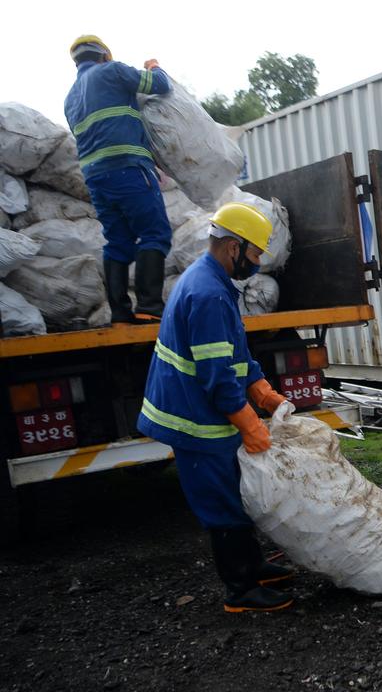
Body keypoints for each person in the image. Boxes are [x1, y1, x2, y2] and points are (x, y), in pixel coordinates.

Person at [137, 202, 295, 613]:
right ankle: (240, 591)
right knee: (221, 502)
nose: (257, 264)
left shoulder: (215, 283)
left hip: (202, 410)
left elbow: (233, 353)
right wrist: (249, 423)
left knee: (236, 492)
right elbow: (217, 377)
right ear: (232, 247)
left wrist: (261, 390)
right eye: (256, 254)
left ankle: (254, 564)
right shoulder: (207, 293)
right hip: (192, 420)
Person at [64, 35, 172, 325]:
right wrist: (155, 67)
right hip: (129, 169)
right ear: (103, 55)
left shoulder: (70, 98)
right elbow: (160, 85)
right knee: (154, 232)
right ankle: (149, 305)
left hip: (97, 178)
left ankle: (121, 313)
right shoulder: (112, 71)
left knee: (117, 241)